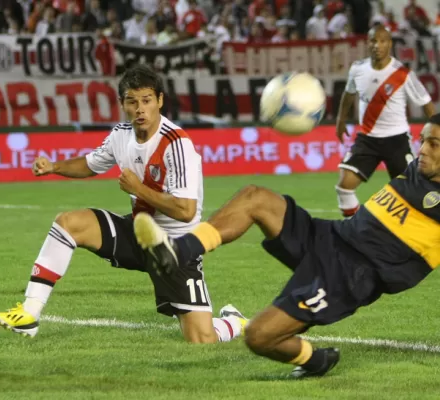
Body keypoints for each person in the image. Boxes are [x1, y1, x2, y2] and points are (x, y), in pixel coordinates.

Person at [133, 113, 440, 378]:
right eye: (423, 139)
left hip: (352, 275)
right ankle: (179, 252)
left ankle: (314, 360)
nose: (422, 149)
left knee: (259, 336)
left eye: (433, 144)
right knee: (255, 197)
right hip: (331, 236)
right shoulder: (419, 167)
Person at [0, 64, 246, 344]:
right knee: (69, 223)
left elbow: (185, 210)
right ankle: (29, 314)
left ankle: (233, 321)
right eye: (132, 101)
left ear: (160, 101)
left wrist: (138, 189)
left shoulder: (176, 143)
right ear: (122, 104)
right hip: (139, 234)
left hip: (176, 248)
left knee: (202, 340)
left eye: (147, 100)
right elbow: (90, 164)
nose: (140, 109)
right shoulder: (120, 135)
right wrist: (54, 166)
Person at [335, 24, 435, 218]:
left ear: (389, 44)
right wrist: (340, 121)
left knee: (411, 196)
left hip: (396, 140)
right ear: (368, 43)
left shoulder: (402, 74)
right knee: (344, 188)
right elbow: (348, 95)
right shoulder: (357, 69)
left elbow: (426, 103)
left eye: (382, 41)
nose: (377, 45)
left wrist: (435, 134)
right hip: (367, 139)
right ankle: (355, 234)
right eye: (373, 40)